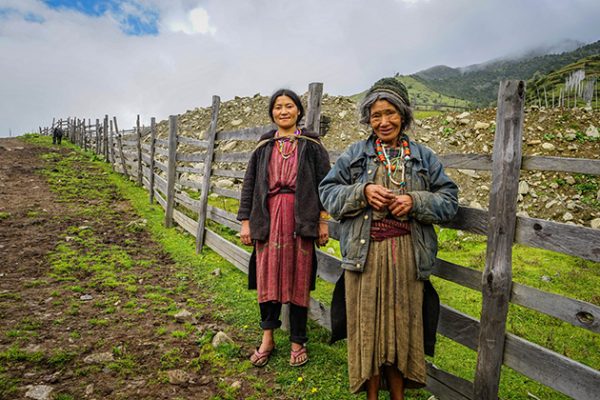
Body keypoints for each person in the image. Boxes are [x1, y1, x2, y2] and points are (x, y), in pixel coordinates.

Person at [319, 78, 458, 399]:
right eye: (375, 115)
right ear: (368, 119)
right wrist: (362, 191)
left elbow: (449, 200)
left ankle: (397, 396)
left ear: (404, 115)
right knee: (367, 329)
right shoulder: (355, 154)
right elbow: (327, 193)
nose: (383, 121)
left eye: (390, 113)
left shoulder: (422, 157)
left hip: (407, 257)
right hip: (364, 257)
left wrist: (416, 201)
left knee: (401, 330)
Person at [237, 88, 331, 368]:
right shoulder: (263, 147)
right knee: (267, 278)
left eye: (289, 106)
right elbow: (250, 184)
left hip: (300, 218)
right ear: (272, 113)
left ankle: (297, 340)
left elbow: (325, 185)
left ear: (299, 111)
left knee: (299, 278)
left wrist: (322, 221)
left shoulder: (312, 146)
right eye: (278, 107)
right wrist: (246, 222)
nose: (283, 111)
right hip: (267, 218)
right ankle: (268, 337)